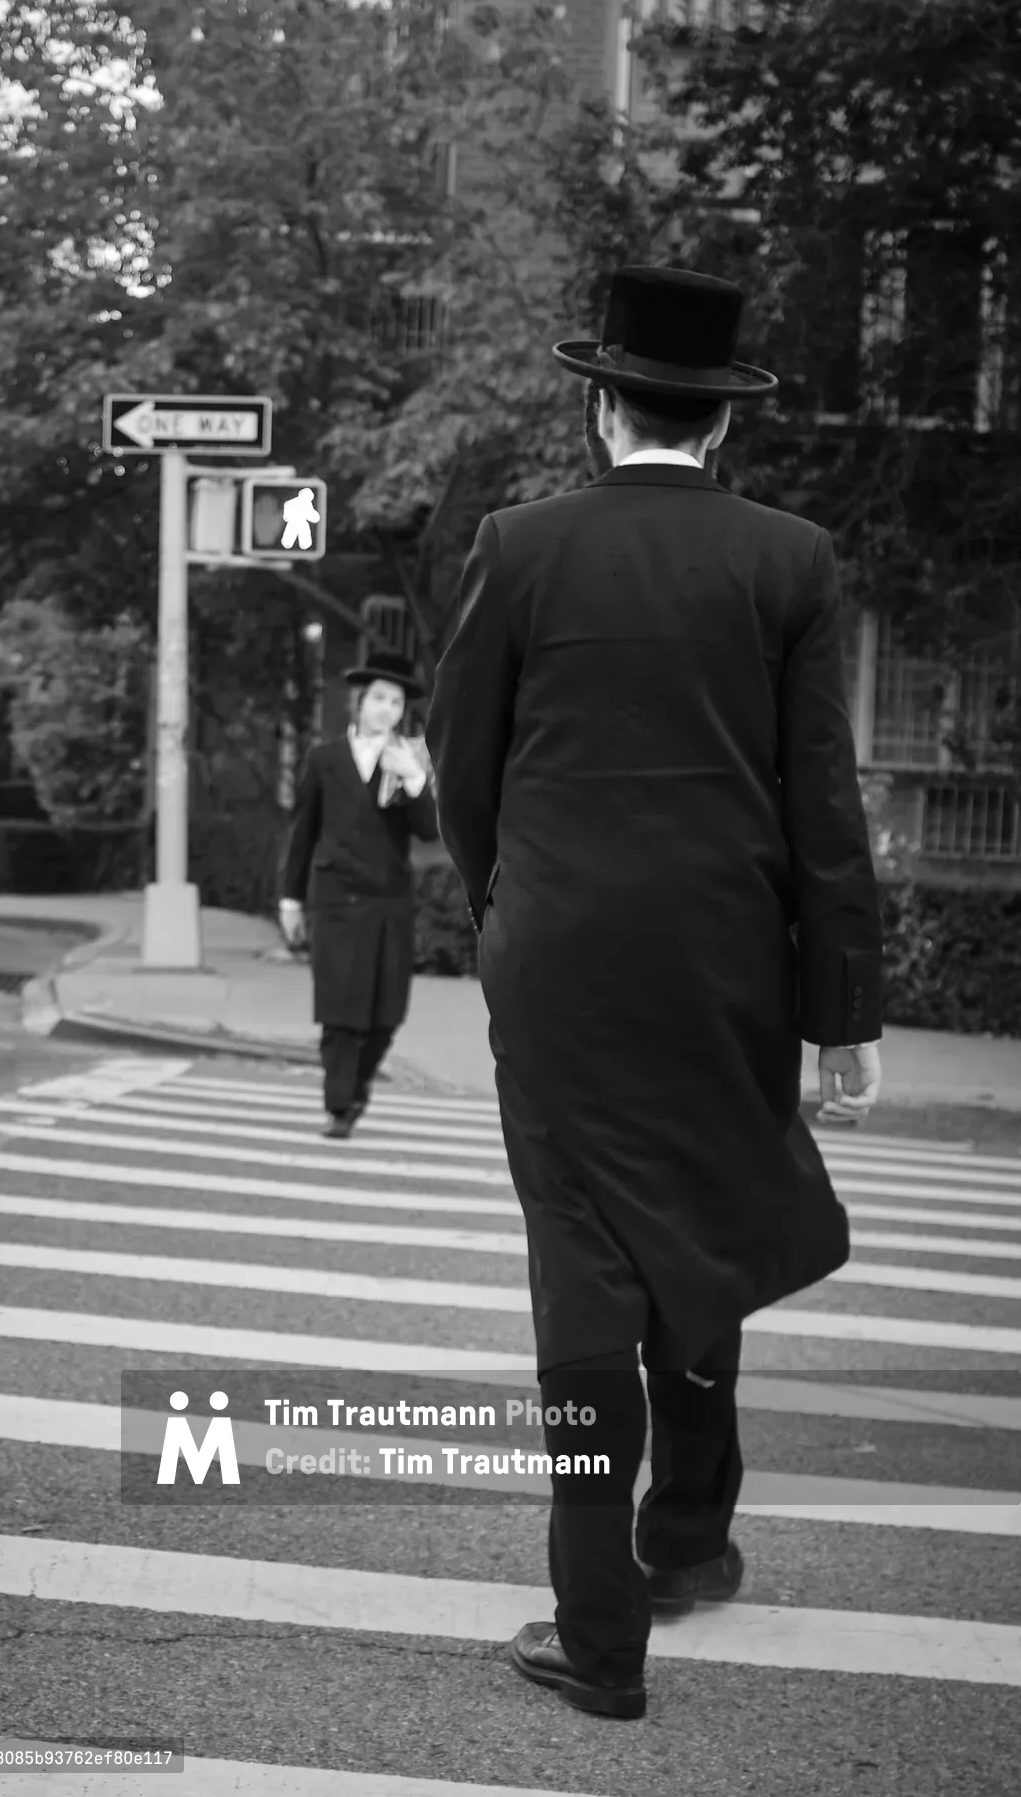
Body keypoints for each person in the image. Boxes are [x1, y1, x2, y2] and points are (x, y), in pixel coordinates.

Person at [425, 265, 884, 1720]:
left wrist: (511, 904)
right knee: (701, 1216)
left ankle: (597, 1631)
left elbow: (461, 763)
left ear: (600, 400)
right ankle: (686, 1538)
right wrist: (845, 1013)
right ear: (721, 422)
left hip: (557, 963)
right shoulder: (792, 560)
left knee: (580, 1264)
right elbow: (824, 801)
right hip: (730, 961)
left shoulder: (521, 543)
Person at [279, 647, 439, 1138]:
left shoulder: (409, 759)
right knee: (340, 1009)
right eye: (379, 699)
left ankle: (358, 1085)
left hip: (388, 901)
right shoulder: (324, 759)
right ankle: (339, 1106)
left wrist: (415, 781)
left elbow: (429, 832)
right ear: (360, 702)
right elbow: (302, 832)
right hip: (335, 900)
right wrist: (290, 899)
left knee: (386, 1013)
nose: (386, 710)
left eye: (395, 703)